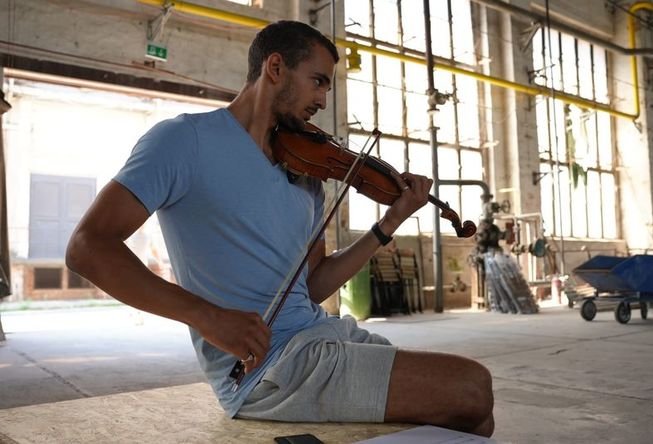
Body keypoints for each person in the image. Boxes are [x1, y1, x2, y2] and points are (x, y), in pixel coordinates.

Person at [66, 20, 494, 437]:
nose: (323, 100)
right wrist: (207, 317)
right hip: (266, 369)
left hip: (320, 337)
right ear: (275, 69)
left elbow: (310, 287)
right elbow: (88, 247)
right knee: (472, 386)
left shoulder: (307, 170)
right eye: (318, 82)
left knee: (477, 419)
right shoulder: (183, 141)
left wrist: (389, 222)